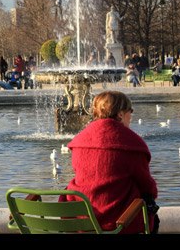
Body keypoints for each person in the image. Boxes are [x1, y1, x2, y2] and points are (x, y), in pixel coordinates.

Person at [60, 91, 159, 234]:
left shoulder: (80, 141)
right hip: (118, 222)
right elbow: (147, 186)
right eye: (130, 111)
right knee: (153, 218)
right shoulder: (131, 143)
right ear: (120, 114)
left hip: (80, 218)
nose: (131, 116)